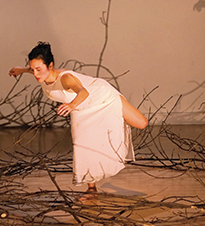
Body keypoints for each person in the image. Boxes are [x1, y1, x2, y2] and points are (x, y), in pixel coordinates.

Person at [9, 42, 148, 200]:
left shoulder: (66, 78)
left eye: (38, 69)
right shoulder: (42, 73)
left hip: (100, 96)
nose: (35, 74)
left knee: (142, 123)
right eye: (32, 69)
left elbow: (83, 92)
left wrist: (71, 105)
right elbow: (34, 68)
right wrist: (21, 70)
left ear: (50, 66)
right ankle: (91, 188)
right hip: (82, 109)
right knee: (82, 144)